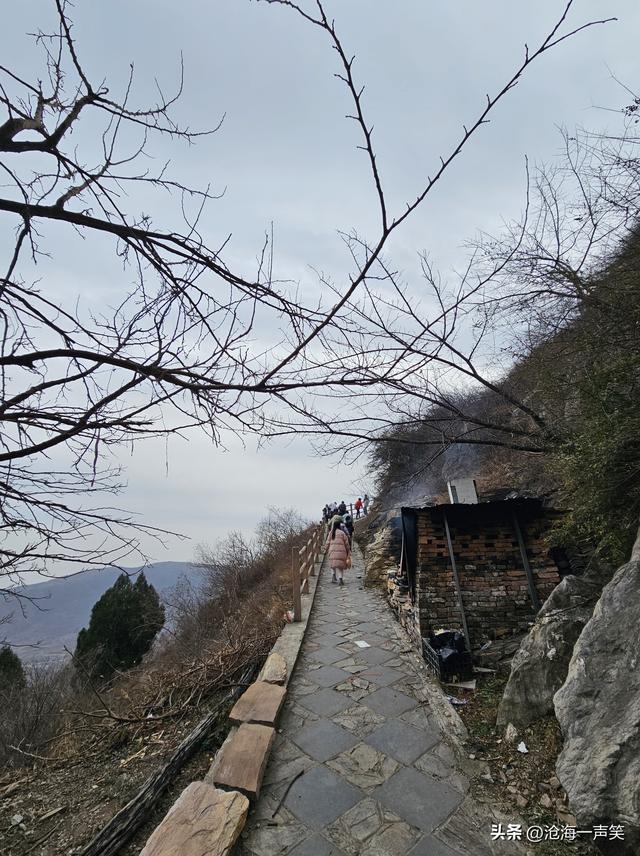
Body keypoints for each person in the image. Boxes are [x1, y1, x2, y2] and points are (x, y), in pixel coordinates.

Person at [326, 518, 351, 585]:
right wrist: (348, 550)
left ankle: (333, 576)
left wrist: (325, 549)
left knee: (332, 564)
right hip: (342, 552)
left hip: (332, 551)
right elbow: (347, 543)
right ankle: (340, 579)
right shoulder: (342, 533)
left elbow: (327, 542)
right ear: (339, 525)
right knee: (340, 566)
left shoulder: (331, 533)